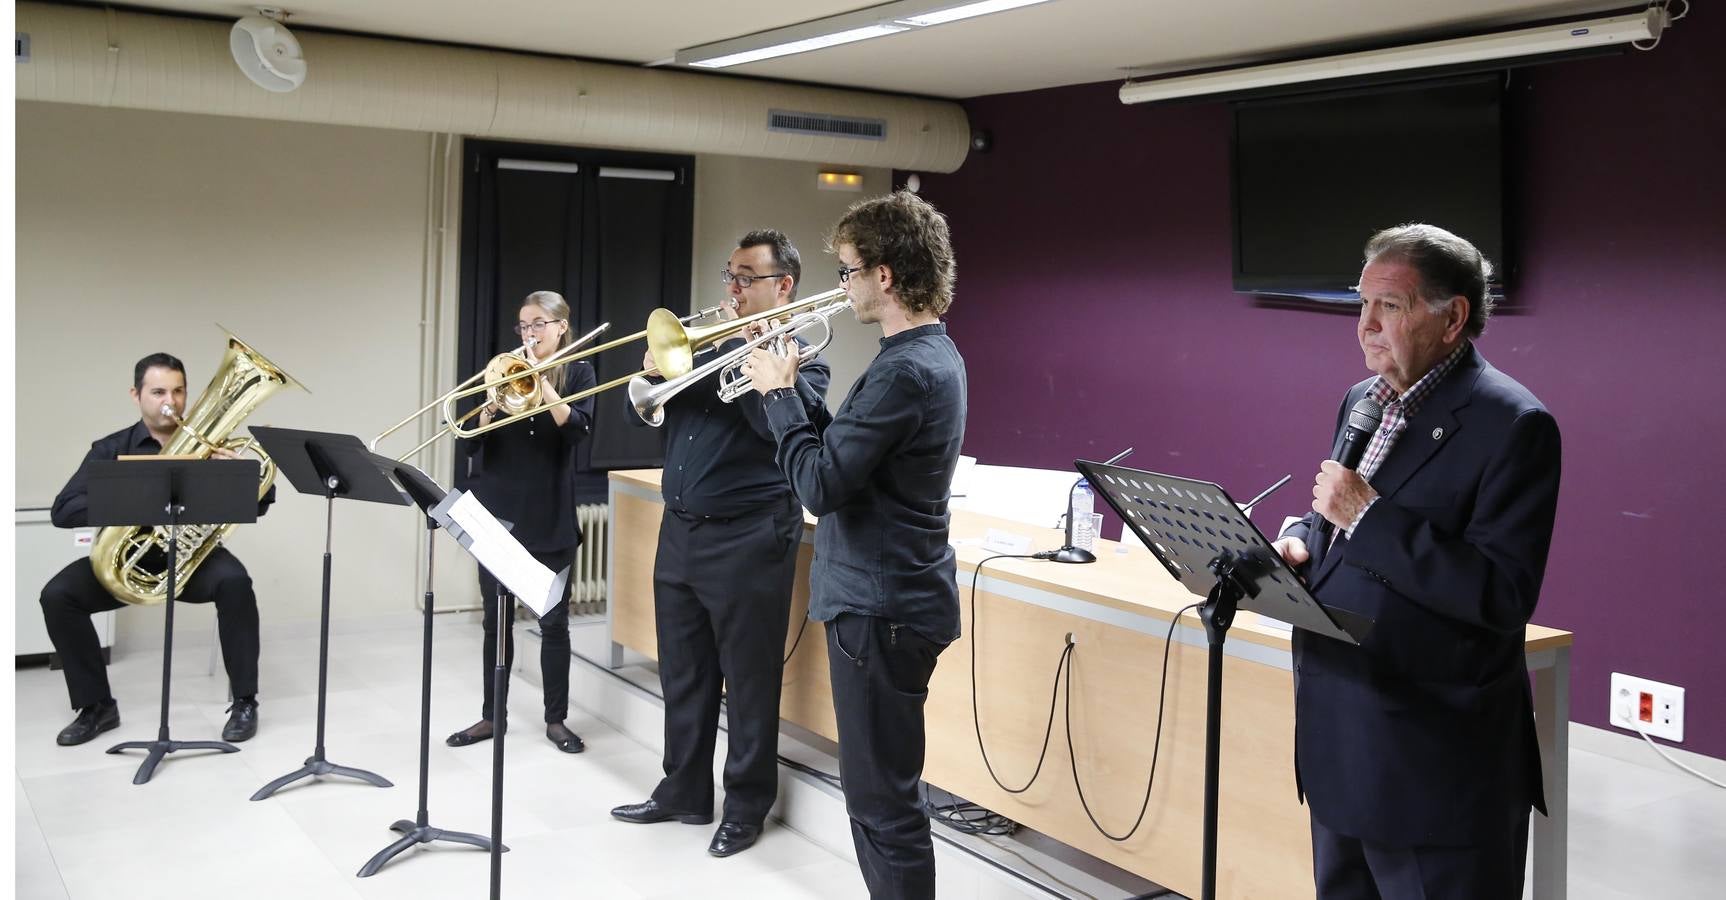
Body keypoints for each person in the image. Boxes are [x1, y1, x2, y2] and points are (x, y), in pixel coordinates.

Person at [1272, 224, 1561, 899]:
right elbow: (1334, 514)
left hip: (1435, 766)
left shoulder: (1514, 425)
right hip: (1341, 738)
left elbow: (1501, 592)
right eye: (1361, 304)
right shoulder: (1362, 399)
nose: (1365, 325)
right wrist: (1301, 541)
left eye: (1390, 307)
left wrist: (1365, 518)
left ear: (1452, 316)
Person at [742, 191, 967, 899]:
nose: (841, 287)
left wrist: (780, 398)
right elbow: (845, 453)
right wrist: (800, 393)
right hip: (892, 597)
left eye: (846, 271)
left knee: (881, 805)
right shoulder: (928, 354)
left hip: (882, 606)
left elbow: (818, 486)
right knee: (881, 798)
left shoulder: (906, 369)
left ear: (885, 275)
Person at [610, 230, 831, 859]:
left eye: (745, 278)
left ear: (783, 286)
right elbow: (647, 414)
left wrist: (749, 356)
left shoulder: (802, 359)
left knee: (749, 679)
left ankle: (746, 805)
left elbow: (776, 427)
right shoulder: (697, 350)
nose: (731, 290)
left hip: (750, 536)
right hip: (680, 530)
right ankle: (681, 789)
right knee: (683, 673)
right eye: (729, 276)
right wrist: (655, 376)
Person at [41, 353, 272, 746]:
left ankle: (245, 701)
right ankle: (96, 706)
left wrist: (237, 476)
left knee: (235, 583)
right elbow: (63, 510)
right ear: (137, 395)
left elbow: (258, 505)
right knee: (58, 596)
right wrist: (128, 499)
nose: (172, 400)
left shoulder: (210, 445)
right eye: (159, 391)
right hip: (130, 562)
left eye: (179, 391)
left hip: (190, 559)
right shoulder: (111, 449)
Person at [445, 291, 598, 755]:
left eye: (537, 324)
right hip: (497, 515)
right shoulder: (498, 371)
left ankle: (556, 720)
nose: (529, 333)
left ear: (560, 328)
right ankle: (493, 716)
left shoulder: (580, 372)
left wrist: (539, 382)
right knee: (497, 622)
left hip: (549, 513)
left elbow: (576, 431)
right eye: (523, 326)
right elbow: (470, 445)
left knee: (553, 624)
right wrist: (490, 406)